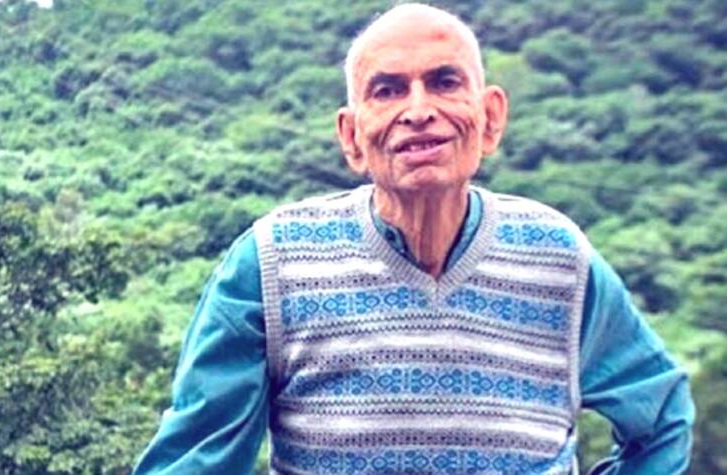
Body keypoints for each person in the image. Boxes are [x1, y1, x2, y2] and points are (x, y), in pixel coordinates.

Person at [133, 4, 694, 474]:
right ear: (352, 137)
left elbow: (662, 415)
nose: (419, 111)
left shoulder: (560, 258)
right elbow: (194, 461)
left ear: (490, 117)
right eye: (387, 90)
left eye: (445, 82)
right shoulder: (271, 263)